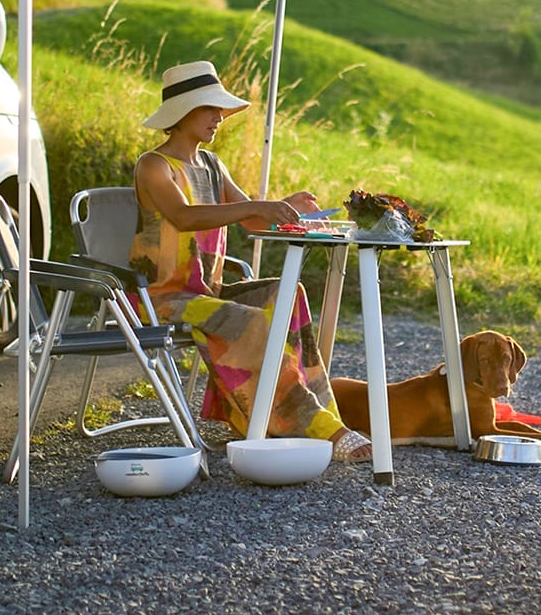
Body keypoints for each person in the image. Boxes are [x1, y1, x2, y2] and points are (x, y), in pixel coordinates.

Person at [128, 60, 373, 462]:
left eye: (219, 110)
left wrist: (288, 207)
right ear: (182, 113)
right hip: (162, 298)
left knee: (288, 295)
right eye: (210, 109)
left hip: (210, 292)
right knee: (254, 323)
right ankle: (317, 428)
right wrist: (258, 207)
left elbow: (251, 216)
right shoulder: (154, 166)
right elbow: (185, 217)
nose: (219, 118)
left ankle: (309, 413)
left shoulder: (211, 165)